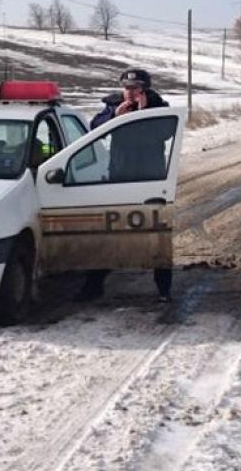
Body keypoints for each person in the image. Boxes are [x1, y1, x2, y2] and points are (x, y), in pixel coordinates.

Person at [74, 68, 174, 304]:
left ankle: (164, 289)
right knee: (108, 233)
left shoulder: (158, 107)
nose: (130, 92)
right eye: (127, 88)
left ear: (145, 89)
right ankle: (93, 286)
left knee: (156, 235)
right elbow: (94, 128)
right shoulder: (114, 106)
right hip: (119, 177)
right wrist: (114, 118)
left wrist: (142, 114)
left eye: (136, 88)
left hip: (150, 180)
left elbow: (166, 132)